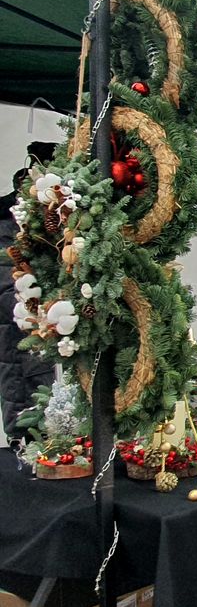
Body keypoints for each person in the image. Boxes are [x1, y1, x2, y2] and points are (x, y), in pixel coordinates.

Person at [1, 142, 60, 439]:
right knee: (23, 374)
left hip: (46, 323)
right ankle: (26, 440)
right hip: (24, 323)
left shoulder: (60, 217)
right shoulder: (14, 222)